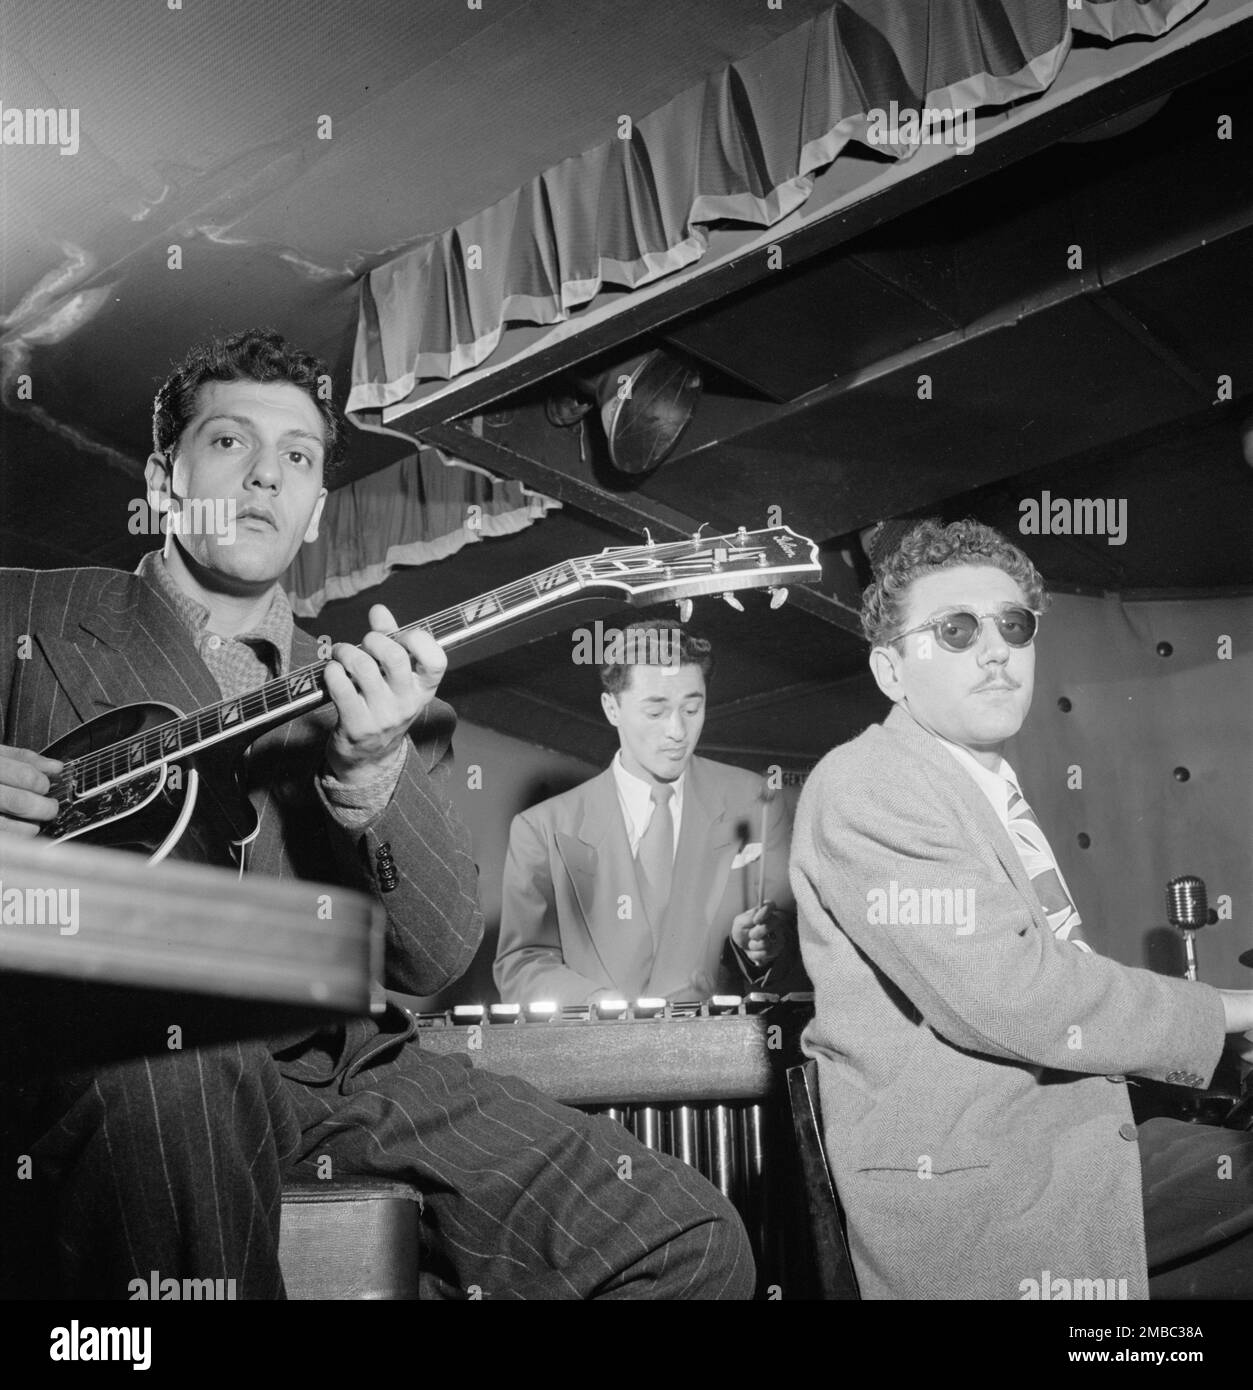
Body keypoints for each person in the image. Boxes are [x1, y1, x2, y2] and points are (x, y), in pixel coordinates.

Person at [0, 327, 754, 1300]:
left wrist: (369, 770)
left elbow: (432, 956)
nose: (268, 476)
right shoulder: (23, 617)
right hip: (103, 1061)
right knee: (166, 1072)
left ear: (316, 508)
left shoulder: (395, 706)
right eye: (231, 442)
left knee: (689, 1240)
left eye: (300, 457)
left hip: (343, 1073)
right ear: (161, 472)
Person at [790, 518, 1253, 1300]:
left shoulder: (980, 783)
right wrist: (1234, 1012)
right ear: (890, 670)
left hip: (1066, 1146)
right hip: (989, 1195)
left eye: (1012, 625)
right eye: (955, 630)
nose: (995, 649)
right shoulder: (869, 782)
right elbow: (1017, 998)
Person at [495, 620, 806, 1006]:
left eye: (692, 708)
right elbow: (521, 964)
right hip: (596, 1053)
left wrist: (759, 954)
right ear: (612, 708)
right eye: (656, 712)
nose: (677, 731)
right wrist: (600, 1004)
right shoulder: (541, 827)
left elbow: (796, 949)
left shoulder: (756, 800)